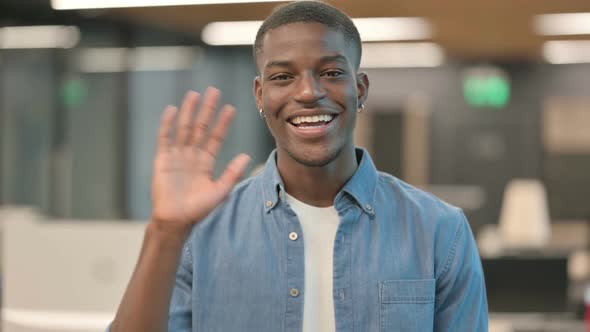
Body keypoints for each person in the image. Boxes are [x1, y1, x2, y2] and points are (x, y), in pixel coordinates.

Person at [109, 1, 488, 331]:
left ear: (361, 89)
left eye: (331, 72)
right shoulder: (201, 232)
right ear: (261, 94)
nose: (308, 92)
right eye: (283, 77)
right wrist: (166, 231)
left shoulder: (439, 231)